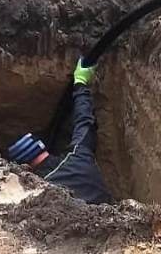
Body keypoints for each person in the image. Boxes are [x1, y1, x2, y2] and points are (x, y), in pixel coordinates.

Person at [6, 58, 113, 205]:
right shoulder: (78, 155)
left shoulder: (43, 192)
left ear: (27, 169)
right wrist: (80, 82)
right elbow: (84, 120)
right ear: (42, 147)